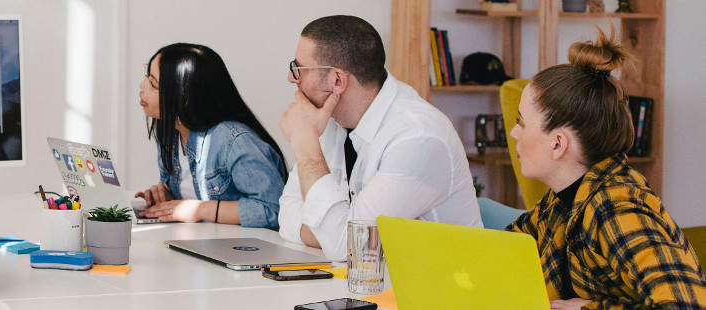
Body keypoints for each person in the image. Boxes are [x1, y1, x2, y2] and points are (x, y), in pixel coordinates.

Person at [507, 28, 706, 309]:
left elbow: (688, 306)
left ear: (558, 144)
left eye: (521, 122)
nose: (514, 133)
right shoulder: (561, 201)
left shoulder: (616, 207)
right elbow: (508, 249)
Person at [276, 16, 482, 260]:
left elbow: (348, 247)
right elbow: (287, 212)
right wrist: (331, 234)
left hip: (441, 292)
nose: (292, 78)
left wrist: (306, 144)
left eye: (299, 68)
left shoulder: (419, 137)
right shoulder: (329, 119)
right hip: (374, 286)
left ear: (338, 81)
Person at [134, 43, 288, 229]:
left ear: (183, 96)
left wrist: (199, 210)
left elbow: (273, 209)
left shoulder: (233, 140)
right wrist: (167, 195)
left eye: (152, 84)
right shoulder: (169, 132)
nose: (143, 87)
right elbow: (190, 192)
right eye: (147, 78)